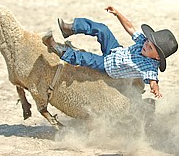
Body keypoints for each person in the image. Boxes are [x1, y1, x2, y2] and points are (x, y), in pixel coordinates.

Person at [42, 6, 178, 98]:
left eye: (150, 48)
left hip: (109, 66)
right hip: (114, 50)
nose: (146, 45)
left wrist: (155, 88)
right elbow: (130, 27)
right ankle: (71, 28)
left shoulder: (150, 67)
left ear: (157, 58)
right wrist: (117, 13)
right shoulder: (144, 42)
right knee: (102, 29)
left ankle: (60, 50)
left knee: (85, 58)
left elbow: (153, 80)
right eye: (148, 41)